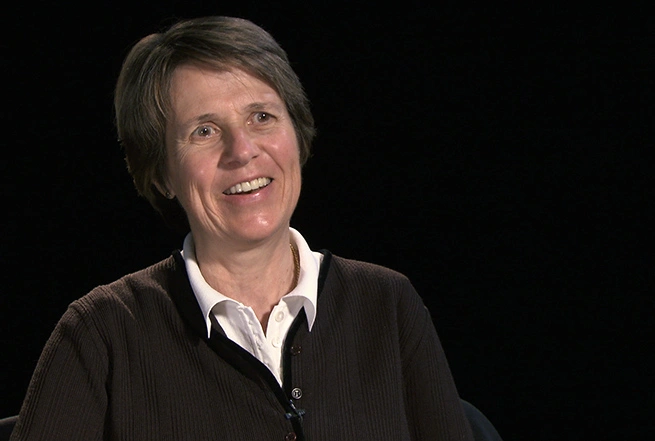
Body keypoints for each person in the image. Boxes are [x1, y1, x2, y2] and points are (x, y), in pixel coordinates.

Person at [11, 15, 474, 441]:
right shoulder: (101, 334)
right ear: (161, 174)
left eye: (262, 117)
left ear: (298, 134)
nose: (242, 150)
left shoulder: (388, 307)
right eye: (204, 131)